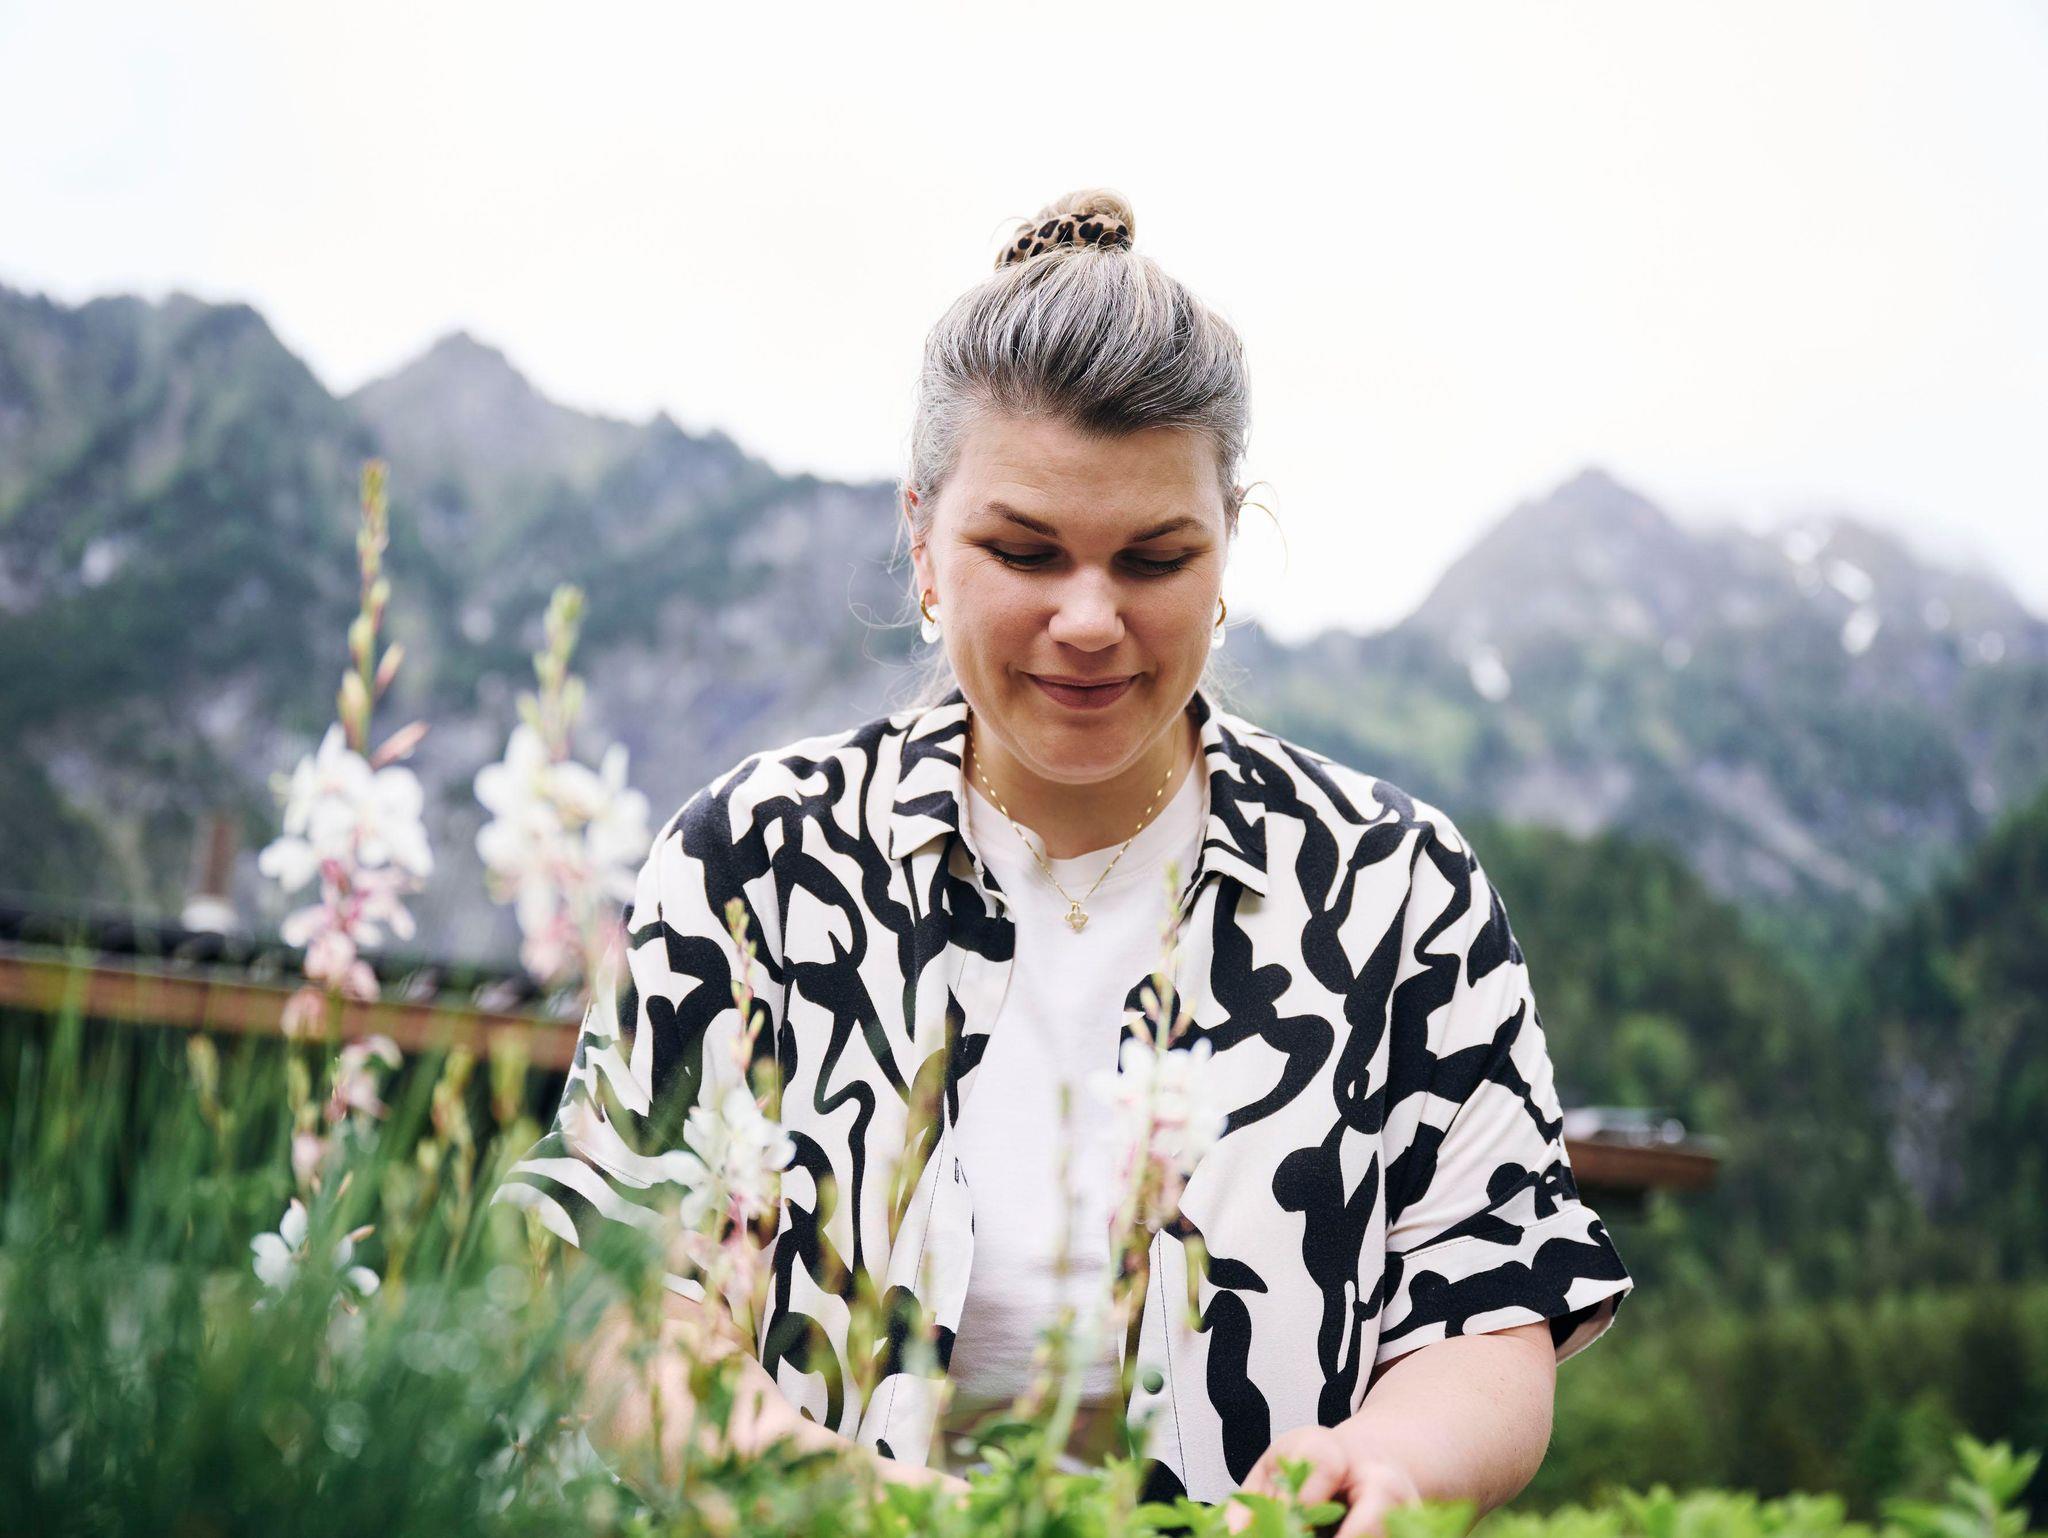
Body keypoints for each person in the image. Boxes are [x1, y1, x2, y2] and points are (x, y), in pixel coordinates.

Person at [496, 188, 1634, 1526]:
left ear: (1229, 544)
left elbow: (1489, 1313)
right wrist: (856, 1506)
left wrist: (1390, 1461)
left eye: (1154, 558)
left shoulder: (1397, 892)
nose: (1089, 620)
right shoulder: (757, 866)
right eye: (1023, 551)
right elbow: (613, 1297)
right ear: (923, 538)